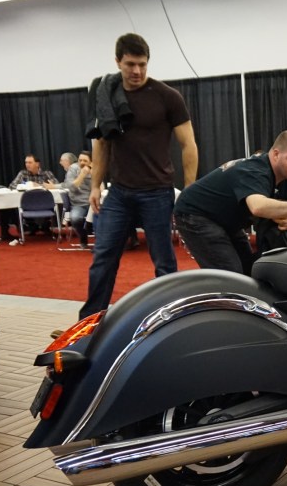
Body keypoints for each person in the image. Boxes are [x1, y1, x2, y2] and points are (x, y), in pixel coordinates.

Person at [79, 33, 199, 321]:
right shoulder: (105, 94)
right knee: (102, 260)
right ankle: (88, 324)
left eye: (142, 64)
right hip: (118, 193)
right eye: (130, 64)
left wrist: (190, 190)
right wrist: (95, 186)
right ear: (117, 61)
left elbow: (188, 145)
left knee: (164, 264)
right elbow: (102, 143)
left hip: (157, 192)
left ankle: (172, 319)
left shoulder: (167, 97)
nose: (136, 71)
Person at [174, 130, 287, 273]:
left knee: (249, 269)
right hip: (194, 214)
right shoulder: (256, 170)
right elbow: (258, 207)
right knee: (231, 274)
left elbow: (279, 209)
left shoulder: (286, 179)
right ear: (275, 154)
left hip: (226, 219)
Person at [58, 151, 92, 249]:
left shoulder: (94, 169)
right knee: (75, 218)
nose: (82, 162)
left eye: (85, 161)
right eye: (80, 160)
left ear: (90, 162)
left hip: (93, 203)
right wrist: (82, 175)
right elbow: (72, 187)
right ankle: (83, 238)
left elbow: (100, 186)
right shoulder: (73, 169)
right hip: (78, 204)